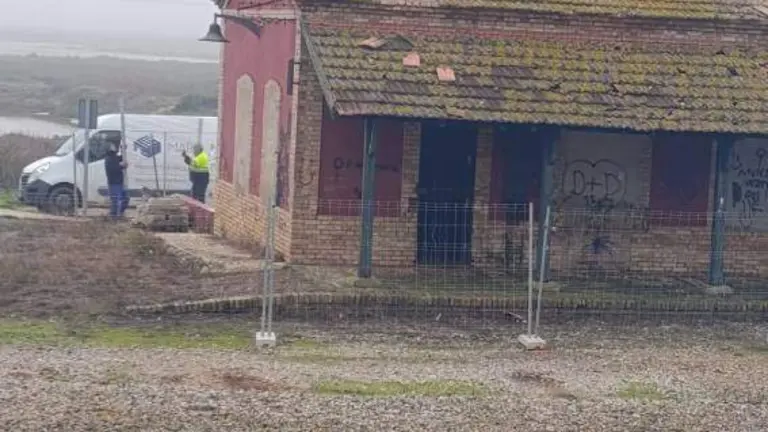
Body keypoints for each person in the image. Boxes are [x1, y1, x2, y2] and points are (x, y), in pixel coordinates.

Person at [104, 142, 129, 219]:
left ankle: (119, 214)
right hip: (114, 183)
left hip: (119, 182)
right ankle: (113, 217)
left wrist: (123, 150)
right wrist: (121, 166)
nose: (114, 146)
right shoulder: (108, 159)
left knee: (125, 198)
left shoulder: (114, 157)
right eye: (112, 145)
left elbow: (121, 158)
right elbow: (113, 169)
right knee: (115, 201)